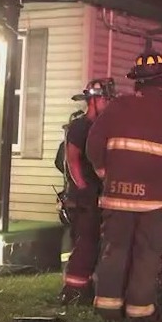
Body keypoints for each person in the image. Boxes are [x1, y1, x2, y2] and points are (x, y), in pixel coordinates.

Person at [85, 49, 162, 322]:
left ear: (137, 83)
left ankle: (108, 308)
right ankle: (139, 313)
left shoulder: (117, 107)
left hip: (116, 197)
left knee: (114, 250)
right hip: (155, 201)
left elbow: (93, 145)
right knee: (146, 255)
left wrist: (107, 175)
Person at [58, 78, 116, 305]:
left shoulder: (102, 126)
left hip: (99, 191)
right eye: (107, 99)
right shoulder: (80, 126)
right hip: (85, 195)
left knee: (98, 242)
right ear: (95, 100)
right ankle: (73, 291)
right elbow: (72, 160)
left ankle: (89, 287)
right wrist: (83, 188)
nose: (109, 104)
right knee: (87, 242)